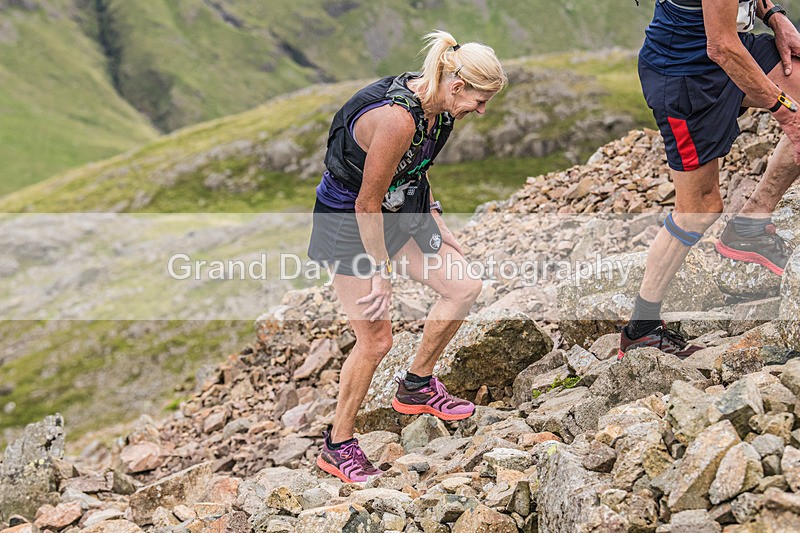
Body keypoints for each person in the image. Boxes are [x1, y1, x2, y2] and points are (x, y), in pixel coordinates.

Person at [307, 30, 507, 482]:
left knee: (463, 287)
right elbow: (366, 202)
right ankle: (337, 446)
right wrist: (381, 273)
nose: (481, 110)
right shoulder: (398, 119)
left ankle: (416, 386)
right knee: (376, 340)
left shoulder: (440, 113)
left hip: (400, 212)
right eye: (479, 100)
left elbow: (416, 168)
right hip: (350, 225)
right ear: (457, 85)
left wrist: (435, 216)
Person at [620, 0, 800, 358]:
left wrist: (774, 15)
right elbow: (721, 46)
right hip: (686, 74)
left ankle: (752, 222)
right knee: (699, 208)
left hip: (729, 48)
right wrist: (787, 112)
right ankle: (641, 329)